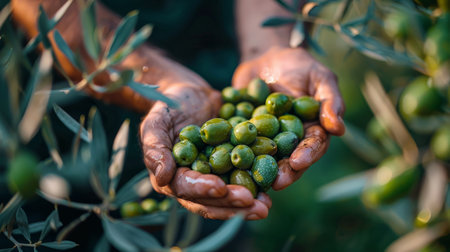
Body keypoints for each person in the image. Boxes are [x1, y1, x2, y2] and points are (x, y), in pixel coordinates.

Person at [11, 0, 345, 220]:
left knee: (215, 216)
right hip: (49, 119)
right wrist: (161, 82)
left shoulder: (243, 135)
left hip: (214, 63)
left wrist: (271, 43)